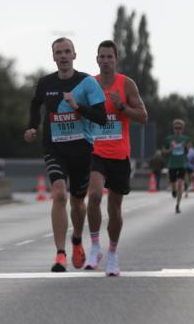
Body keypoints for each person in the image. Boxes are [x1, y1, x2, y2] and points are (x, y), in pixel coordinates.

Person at [25, 38, 107, 272]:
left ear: (74, 55)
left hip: (82, 150)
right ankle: (60, 254)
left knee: (78, 202)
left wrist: (77, 107)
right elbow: (35, 105)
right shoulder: (45, 82)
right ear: (53, 57)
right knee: (59, 194)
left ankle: (77, 241)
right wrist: (32, 127)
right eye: (58, 52)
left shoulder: (87, 82)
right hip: (54, 148)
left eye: (67, 52)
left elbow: (101, 117)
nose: (63, 56)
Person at [85, 40, 148, 277]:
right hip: (95, 151)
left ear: (116, 59)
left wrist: (122, 108)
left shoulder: (126, 84)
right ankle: (94, 247)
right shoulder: (89, 84)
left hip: (120, 154)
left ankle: (111, 253)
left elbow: (143, 117)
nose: (105, 61)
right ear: (97, 59)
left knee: (115, 207)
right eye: (101, 56)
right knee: (93, 196)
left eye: (109, 57)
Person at [163, 118, 190, 214]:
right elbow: (164, 151)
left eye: (180, 128)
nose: (178, 130)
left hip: (181, 164)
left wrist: (186, 148)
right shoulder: (168, 139)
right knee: (174, 185)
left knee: (180, 185)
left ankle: (178, 205)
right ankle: (173, 191)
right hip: (172, 165)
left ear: (183, 129)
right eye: (176, 128)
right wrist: (170, 149)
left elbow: (187, 151)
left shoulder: (186, 139)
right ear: (173, 128)